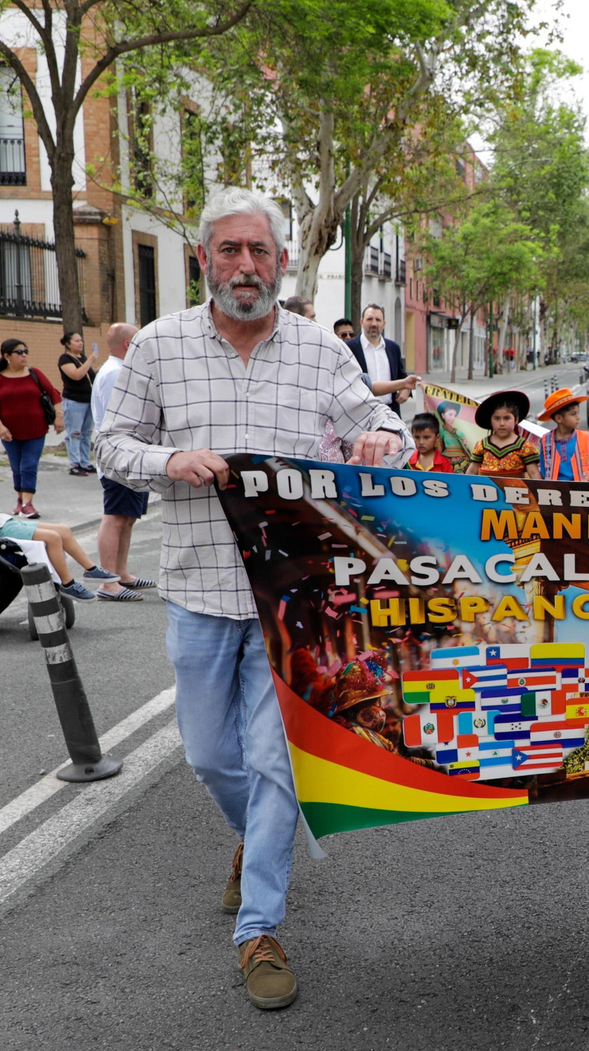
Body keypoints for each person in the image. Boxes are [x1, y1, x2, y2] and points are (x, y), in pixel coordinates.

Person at [96, 187, 407, 1010]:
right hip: (199, 586)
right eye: (230, 250)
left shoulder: (320, 349)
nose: (245, 265)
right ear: (205, 259)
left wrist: (383, 439)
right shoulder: (158, 346)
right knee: (209, 755)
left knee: (276, 763)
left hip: (295, 600)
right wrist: (170, 461)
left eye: (259, 251)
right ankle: (253, 838)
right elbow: (110, 444)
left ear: (281, 262)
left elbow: (381, 422)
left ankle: (259, 927)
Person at [87, 322, 152, 601]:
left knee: (127, 517)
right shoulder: (116, 373)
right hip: (120, 455)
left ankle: (121, 574)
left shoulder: (120, 370)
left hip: (130, 454)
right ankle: (108, 583)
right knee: (115, 517)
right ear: (129, 344)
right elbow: (122, 418)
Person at [0, 338, 63, 518]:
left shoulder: (35, 373)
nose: (24, 355)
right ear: (7, 356)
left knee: (29, 465)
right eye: (19, 352)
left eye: (26, 351)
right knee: (16, 467)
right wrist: (0, 426)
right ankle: (20, 500)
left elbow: (53, 394)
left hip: (36, 429)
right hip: (8, 431)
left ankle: (27, 504)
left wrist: (59, 415)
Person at [346, 304, 411, 416]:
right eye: (369, 319)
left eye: (378, 320)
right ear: (361, 321)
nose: (374, 324)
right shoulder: (349, 348)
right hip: (361, 414)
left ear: (384, 324)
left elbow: (402, 376)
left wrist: (406, 390)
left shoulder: (393, 348)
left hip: (390, 413)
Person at [467, 390, 538, 477]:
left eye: (507, 418)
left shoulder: (524, 446)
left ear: (516, 420)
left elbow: (534, 473)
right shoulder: (481, 445)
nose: (502, 423)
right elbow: (472, 471)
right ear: (490, 421)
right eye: (497, 418)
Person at [57, 331, 99, 476]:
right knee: (75, 433)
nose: (80, 343)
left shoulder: (83, 358)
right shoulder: (65, 359)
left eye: (81, 340)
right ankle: (75, 464)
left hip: (88, 400)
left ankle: (86, 462)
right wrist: (91, 360)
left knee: (87, 433)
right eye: (76, 341)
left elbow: (89, 375)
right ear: (68, 344)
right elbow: (76, 375)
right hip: (74, 401)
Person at [536, 388, 589, 481]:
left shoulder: (586, 437)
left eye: (578, 412)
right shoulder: (545, 440)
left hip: (582, 488)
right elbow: (544, 470)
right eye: (573, 414)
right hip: (554, 488)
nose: (578, 417)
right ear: (559, 418)